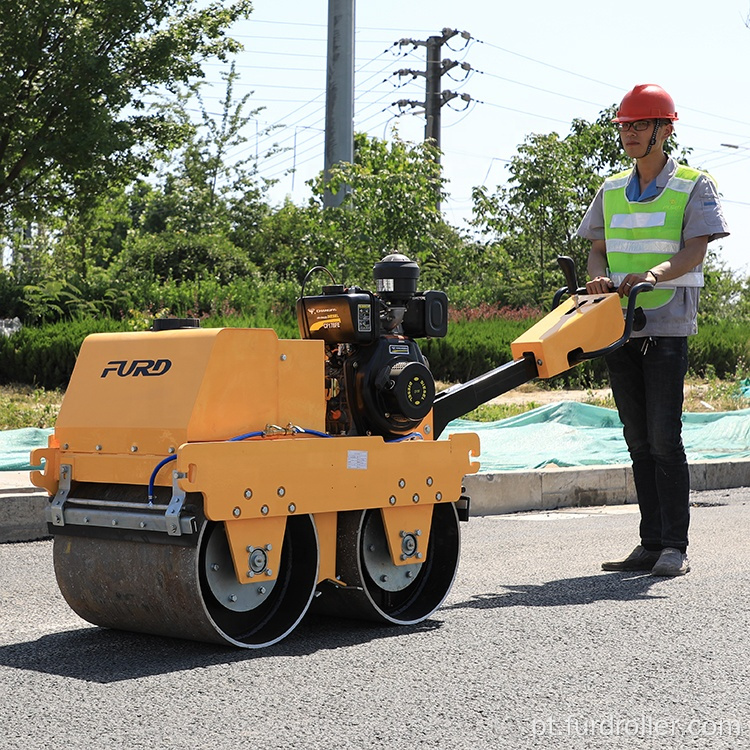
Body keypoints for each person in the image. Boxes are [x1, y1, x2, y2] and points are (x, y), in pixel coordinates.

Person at [577, 83, 729, 577]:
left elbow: (695, 250)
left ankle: (674, 546)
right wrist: (598, 274)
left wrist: (654, 275)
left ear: (665, 130)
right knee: (637, 437)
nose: (631, 134)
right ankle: (648, 543)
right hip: (619, 324)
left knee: (665, 437)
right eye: (626, 126)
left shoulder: (692, 185)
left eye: (641, 125)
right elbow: (597, 246)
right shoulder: (611, 189)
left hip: (666, 322)